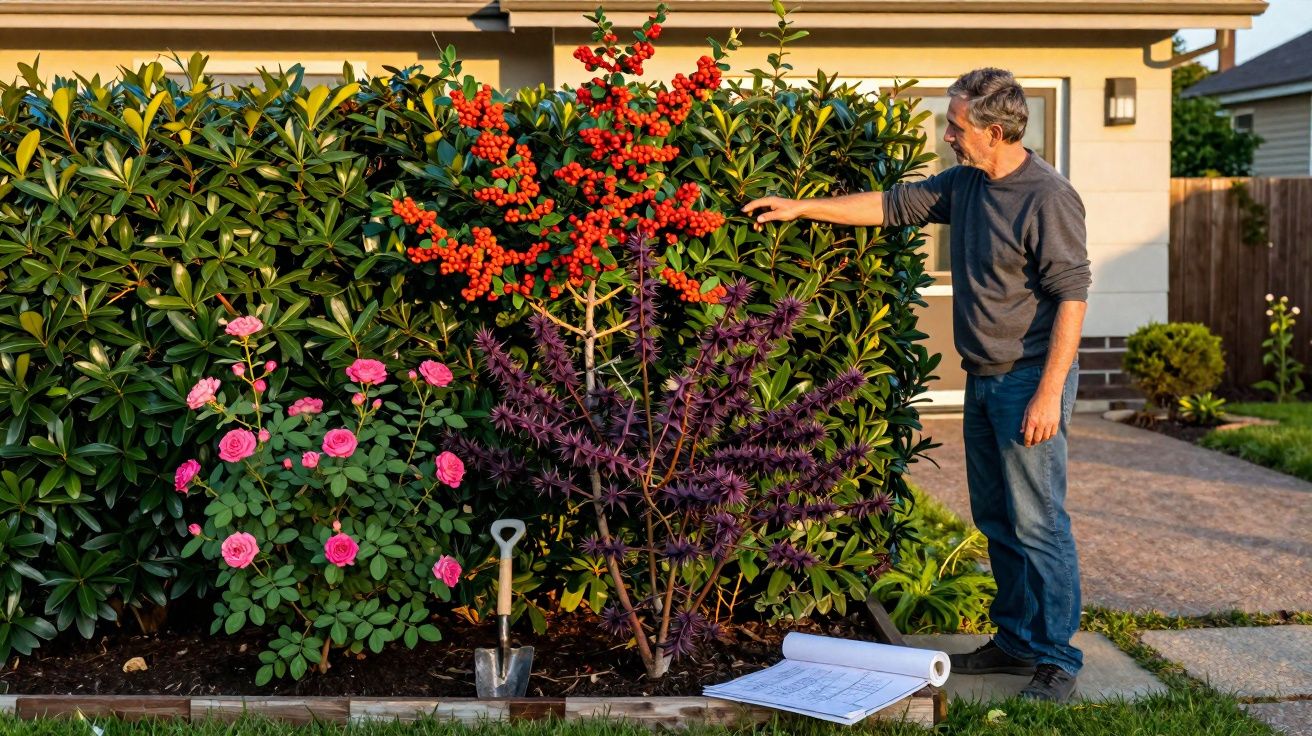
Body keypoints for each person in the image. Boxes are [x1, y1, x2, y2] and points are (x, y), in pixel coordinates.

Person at [742, 68, 1091, 703]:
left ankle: (1057, 655)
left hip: (1028, 380)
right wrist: (800, 207)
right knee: (997, 518)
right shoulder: (966, 183)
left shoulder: (1048, 196)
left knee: (1040, 521)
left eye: (957, 127)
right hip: (984, 377)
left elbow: (1072, 297)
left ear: (992, 130)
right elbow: (890, 205)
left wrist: (1047, 392)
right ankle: (1016, 641)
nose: (949, 136)